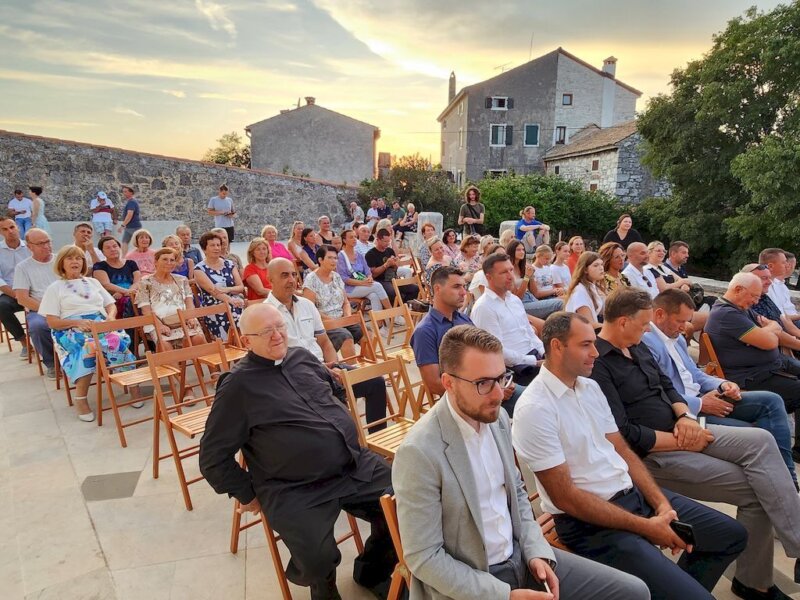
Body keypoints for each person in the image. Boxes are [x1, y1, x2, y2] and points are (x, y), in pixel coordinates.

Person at [394, 324, 651, 600]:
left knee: (633, 592)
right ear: (448, 383)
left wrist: (536, 551)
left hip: (521, 557)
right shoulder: (420, 452)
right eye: (483, 383)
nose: (498, 394)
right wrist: (504, 595)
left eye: (501, 378)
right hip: (472, 581)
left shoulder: (497, 421)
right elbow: (424, 556)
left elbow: (517, 493)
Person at [513, 312, 746, 600]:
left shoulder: (589, 387)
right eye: (585, 345)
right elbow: (566, 498)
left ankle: (672, 588)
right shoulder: (535, 409)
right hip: (590, 523)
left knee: (730, 535)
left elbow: (622, 450)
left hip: (632, 496)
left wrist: (661, 505)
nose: (596, 352)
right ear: (557, 346)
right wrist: (648, 527)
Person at [592, 287, 800, 599]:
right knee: (761, 488)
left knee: (761, 440)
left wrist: (684, 417)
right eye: (644, 324)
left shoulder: (636, 346)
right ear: (623, 322)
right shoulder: (599, 363)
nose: (648, 330)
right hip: (655, 452)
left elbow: (667, 386)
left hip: (683, 427)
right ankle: (754, 582)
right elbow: (623, 434)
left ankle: (779, 560)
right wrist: (680, 439)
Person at [198, 303, 396, 600]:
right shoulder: (237, 386)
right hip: (295, 487)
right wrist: (247, 494)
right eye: (266, 331)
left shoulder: (301, 357)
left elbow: (333, 389)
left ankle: (372, 572)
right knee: (317, 559)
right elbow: (212, 457)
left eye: (280, 326)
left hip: (352, 464)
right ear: (246, 340)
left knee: (406, 502)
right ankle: (324, 591)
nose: (277, 335)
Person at [643, 289, 797, 486]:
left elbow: (696, 374)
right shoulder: (647, 343)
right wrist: (701, 403)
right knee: (755, 434)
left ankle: (787, 477)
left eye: (687, 321)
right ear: (659, 315)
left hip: (706, 397)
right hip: (685, 414)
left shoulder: (676, 338)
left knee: (771, 400)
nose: (685, 327)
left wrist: (722, 384)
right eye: (680, 321)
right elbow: (657, 392)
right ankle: (778, 481)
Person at [265, 258, 389, 428]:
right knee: (338, 409)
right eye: (284, 275)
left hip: (323, 368)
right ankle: (345, 435)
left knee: (375, 382)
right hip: (294, 377)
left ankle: (377, 437)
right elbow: (271, 359)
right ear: (270, 279)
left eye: (294, 274)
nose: (292, 280)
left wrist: (334, 367)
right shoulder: (265, 313)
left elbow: (324, 343)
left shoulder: (307, 305)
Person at [704, 272, 800, 462]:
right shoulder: (727, 314)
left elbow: (775, 327)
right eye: (754, 296)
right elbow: (770, 341)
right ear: (738, 289)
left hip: (772, 365)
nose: (756, 302)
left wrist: (769, 330)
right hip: (752, 376)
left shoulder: (741, 308)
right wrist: (770, 330)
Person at [39, 245, 141, 421]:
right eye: (70, 258)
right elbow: (52, 322)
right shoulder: (55, 288)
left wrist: (110, 318)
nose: (75, 261)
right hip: (69, 328)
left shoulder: (93, 282)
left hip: (99, 324)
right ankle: (81, 398)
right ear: (61, 263)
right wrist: (77, 322)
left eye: (78, 258)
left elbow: (110, 305)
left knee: (116, 340)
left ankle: (133, 385)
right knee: (89, 346)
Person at [411, 265, 525, 415]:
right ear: (437, 289)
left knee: (538, 398)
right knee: (534, 405)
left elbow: (485, 356)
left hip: (491, 385)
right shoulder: (425, 331)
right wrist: (491, 391)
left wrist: (501, 382)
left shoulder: (463, 319)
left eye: (464, 287)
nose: (463, 292)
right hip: (470, 400)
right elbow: (435, 384)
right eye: (456, 287)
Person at [471, 253, 545, 386]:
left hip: (533, 359)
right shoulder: (484, 307)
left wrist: (544, 352)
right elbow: (496, 351)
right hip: (515, 371)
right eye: (504, 272)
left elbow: (528, 332)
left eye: (511, 270)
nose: (511, 276)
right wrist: (535, 361)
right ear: (489, 277)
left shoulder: (514, 300)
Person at [303, 245, 363, 357]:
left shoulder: (337, 276)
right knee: (346, 337)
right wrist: (333, 321)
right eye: (330, 258)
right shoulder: (311, 279)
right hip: (323, 323)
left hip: (341, 319)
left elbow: (345, 302)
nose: (334, 261)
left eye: (335, 258)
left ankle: (371, 365)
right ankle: (352, 368)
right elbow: (309, 309)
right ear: (320, 260)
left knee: (366, 331)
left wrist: (347, 318)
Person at [12, 227, 57, 377]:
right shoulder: (23, 267)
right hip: (40, 309)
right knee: (38, 327)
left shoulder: (61, 260)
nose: (46, 246)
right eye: (40, 243)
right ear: (29, 246)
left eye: (48, 241)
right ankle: (52, 363)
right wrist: (49, 310)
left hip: (67, 305)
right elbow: (22, 298)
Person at [193, 231, 244, 340]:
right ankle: (231, 343)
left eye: (218, 245)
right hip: (213, 304)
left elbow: (240, 287)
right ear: (204, 249)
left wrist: (227, 289)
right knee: (231, 309)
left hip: (234, 300)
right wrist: (231, 300)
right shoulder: (199, 269)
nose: (216, 248)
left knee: (242, 308)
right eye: (212, 245)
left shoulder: (229, 264)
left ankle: (243, 342)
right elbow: (214, 291)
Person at [744, 263, 800, 353]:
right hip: (779, 349)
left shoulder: (764, 297)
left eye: (769, 278)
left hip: (789, 342)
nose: (770, 282)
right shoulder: (749, 304)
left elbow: (784, 320)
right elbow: (777, 335)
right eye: (764, 278)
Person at [337, 229, 392, 312]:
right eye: (351, 237)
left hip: (363, 284)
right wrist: (362, 282)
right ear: (344, 240)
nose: (354, 239)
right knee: (377, 286)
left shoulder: (359, 255)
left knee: (374, 296)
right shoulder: (341, 256)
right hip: (349, 289)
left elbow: (368, 271)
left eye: (355, 237)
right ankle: (392, 313)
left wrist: (369, 278)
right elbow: (344, 279)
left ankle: (378, 319)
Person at [507, 239, 562, 320]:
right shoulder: (508, 269)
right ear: (511, 251)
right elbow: (518, 297)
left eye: (523, 249)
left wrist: (531, 276)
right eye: (518, 250)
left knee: (566, 301)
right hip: (521, 303)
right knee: (560, 303)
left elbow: (534, 292)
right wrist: (526, 277)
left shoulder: (524, 266)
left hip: (532, 297)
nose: (522, 252)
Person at [0, 216, 31, 357]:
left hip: (32, 291)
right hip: (10, 293)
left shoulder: (30, 247)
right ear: (1, 232)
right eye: (5, 229)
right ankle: (24, 343)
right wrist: (18, 296)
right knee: (1, 306)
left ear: (17, 227)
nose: (10, 231)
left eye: (12, 227)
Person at [365, 229, 418, 306]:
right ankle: (396, 308)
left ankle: (404, 305)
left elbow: (395, 269)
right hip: (381, 280)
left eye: (388, 241)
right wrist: (386, 265)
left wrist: (394, 264)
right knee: (392, 292)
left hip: (393, 278)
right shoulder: (370, 254)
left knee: (415, 289)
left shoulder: (389, 251)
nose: (387, 243)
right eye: (385, 241)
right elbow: (373, 274)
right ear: (378, 240)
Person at [92, 236, 141, 319]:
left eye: (115, 246)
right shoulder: (99, 266)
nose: (112, 249)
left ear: (119, 248)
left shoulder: (131, 263)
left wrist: (128, 292)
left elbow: (138, 281)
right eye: (108, 248)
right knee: (128, 301)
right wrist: (125, 292)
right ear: (103, 252)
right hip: (112, 298)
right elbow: (106, 285)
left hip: (133, 294)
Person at [564, 251, 605, 329]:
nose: (601, 268)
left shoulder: (592, 286)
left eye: (602, 264)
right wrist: (613, 328)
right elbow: (589, 324)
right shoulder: (580, 291)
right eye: (596, 265)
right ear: (585, 270)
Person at [762, 248, 800, 321]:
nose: (787, 265)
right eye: (783, 262)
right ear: (770, 266)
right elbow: (781, 319)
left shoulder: (777, 285)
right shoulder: (766, 288)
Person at [117, 186, 141, 254]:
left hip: (134, 227)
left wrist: (122, 225)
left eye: (125, 192)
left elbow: (130, 214)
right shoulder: (131, 202)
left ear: (131, 193)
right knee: (125, 242)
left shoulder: (132, 202)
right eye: (123, 192)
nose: (124, 193)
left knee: (138, 242)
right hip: (129, 227)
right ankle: (123, 257)